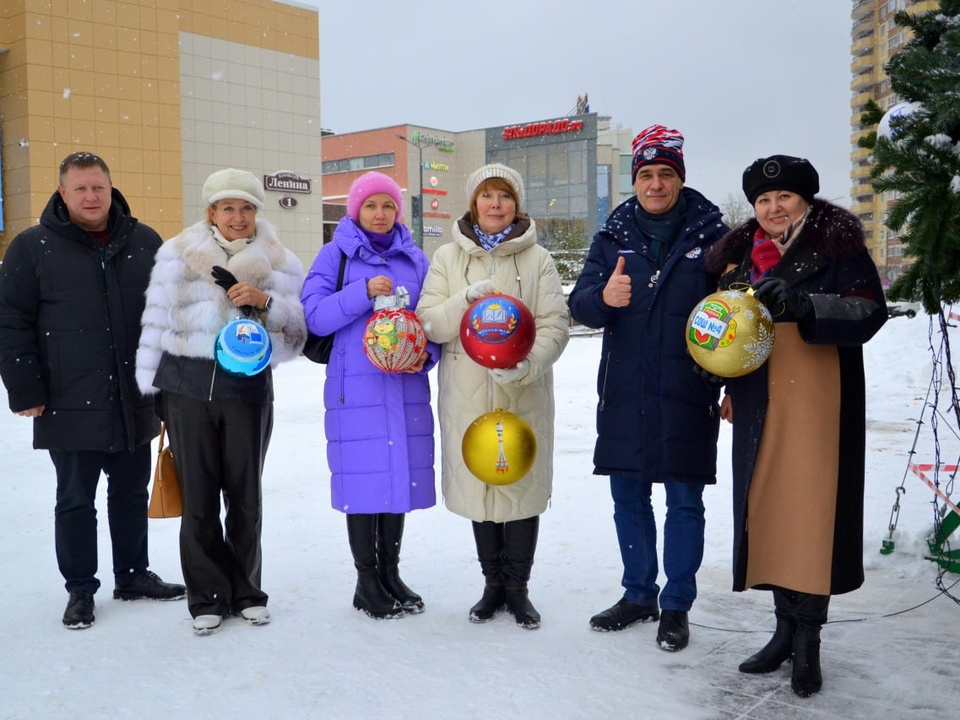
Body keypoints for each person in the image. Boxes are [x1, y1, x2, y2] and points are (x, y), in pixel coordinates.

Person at [704, 155, 887, 696]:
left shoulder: (839, 247)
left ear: (805, 201)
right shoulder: (738, 258)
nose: (773, 208)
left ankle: (809, 642)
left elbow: (869, 311)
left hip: (816, 395)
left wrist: (806, 304)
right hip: (759, 397)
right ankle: (783, 630)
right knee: (770, 511)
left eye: (784, 197)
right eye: (763, 200)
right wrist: (720, 373)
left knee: (812, 516)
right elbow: (717, 324)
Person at [0, 151, 186, 630]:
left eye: (97, 187)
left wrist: (169, 384)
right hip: (67, 399)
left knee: (129, 493)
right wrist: (25, 389)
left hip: (133, 397)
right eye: (80, 188)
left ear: (110, 187)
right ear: (62, 192)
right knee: (75, 500)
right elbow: (11, 322)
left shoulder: (144, 242)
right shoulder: (32, 247)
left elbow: (167, 316)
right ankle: (80, 588)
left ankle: (132, 574)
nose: (90, 196)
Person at [568, 125, 728, 651]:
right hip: (626, 391)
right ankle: (639, 593)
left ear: (680, 178)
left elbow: (734, 318)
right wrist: (603, 298)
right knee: (628, 497)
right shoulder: (612, 237)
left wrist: (729, 385)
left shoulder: (715, 240)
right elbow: (580, 303)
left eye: (665, 174)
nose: (655, 184)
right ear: (633, 181)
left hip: (689, 391)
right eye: (645, 175)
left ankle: (676, 605)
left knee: (684, 501)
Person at [135, 168, 307, 635]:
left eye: (246, 208)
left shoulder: (281, 262)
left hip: (247, 393)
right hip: (187, 389)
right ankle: (207, 596)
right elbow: (154, 324)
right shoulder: (176, 255)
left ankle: (248, 591)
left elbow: (296, 339)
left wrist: (267, 302)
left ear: (256, 213)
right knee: (199, 500)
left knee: (246, 497)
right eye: (228, 207)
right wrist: (152, 388)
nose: (238, 216)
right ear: (211, 212)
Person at [417, 163, 569, 630]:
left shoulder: (537, 259)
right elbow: (429, 323)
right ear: (473, 204)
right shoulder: (446, 259)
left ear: (516, 206)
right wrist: (465, 300)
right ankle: (491, 586)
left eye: (505, 196)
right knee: (480, 484)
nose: (496, 205)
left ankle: (519, 589)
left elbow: (555, 325)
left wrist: (527, 365)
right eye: (487, 196)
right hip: (467, 392)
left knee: (519, 484)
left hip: (523, 392)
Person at [301, 172, 438, 619]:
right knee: (364, 484)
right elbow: (314, 317)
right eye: (370, 206)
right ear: (355, 210)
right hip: (354, 390)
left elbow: (431, 318)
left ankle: (390, 574)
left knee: (397, 479)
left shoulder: (416, 259)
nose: (380, 214)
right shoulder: (334, 254)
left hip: (405, 387)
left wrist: (427, 355)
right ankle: (366, 581)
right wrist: (360, 292)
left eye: (388, 206)